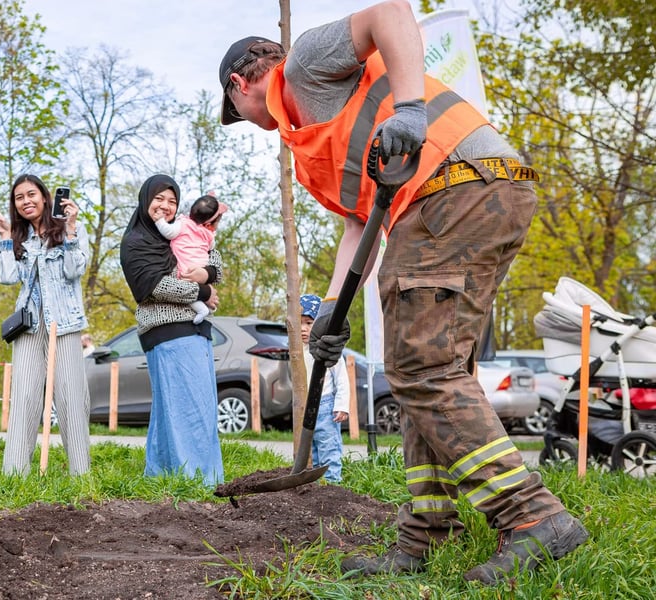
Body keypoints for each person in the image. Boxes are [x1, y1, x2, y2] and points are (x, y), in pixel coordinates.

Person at [218, 0, 587, 584]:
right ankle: (426, 533)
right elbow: (358, 229)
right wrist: (333, 316)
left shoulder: (304, 64)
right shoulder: (313, 137)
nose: (246, 121)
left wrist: (411, 112)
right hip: (476, 194)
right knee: (429, 370)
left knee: (420, 369)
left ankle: (533, 516)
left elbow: (389, 13)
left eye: (235, 109)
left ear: (239, 84)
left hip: (453, 188)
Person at [0, 174, 91, 476]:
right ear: (15, 206)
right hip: (29, 327)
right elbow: (6, 277)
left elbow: (74, 271)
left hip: (64, 324)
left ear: (45, 197)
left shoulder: (73, 229)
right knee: (25, 397)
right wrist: (5, 237)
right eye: (19, 198)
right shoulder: (19, 239)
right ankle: (15, 474)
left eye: (31, 194)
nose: (26, 201)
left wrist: (68, 231)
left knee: (71, 397)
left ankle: (81, 474)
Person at [119, 174, 223, 487]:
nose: (165, 206)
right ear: (145, 199)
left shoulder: (181, 230)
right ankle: (198, 482)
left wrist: (207, 272)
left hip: (195, 329)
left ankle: (161, 477)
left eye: (172, 201)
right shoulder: (137, 242)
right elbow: (154, 286)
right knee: (190, 412)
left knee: (174, 412)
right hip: (168, 331)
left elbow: (212, 257)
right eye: (159, 199)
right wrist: (203, 292)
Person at [152, 193, 229, 324]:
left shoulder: (182, 224)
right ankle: (207, 308)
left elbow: (168, 232)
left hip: (187, 267)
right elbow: (211, 248)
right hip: (201, 263)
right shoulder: (208, 234)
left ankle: (202, 309)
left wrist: (159, 221)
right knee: (198, 287)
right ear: (209, 224)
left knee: (187, 285)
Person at [298, 294, 349, 483]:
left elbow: (342, 379)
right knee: (313, 450)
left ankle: (332, 482)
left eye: (309, 323)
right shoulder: (296, 352)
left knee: (329, 446)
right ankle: (317, 484)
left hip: (326, 406)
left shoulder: (327, 350)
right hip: (305, 407)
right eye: (300, 323)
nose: (304, 329)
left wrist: (342, 405)